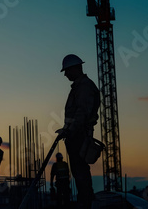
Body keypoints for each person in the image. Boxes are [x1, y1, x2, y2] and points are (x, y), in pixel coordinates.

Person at [56, 54, 100, 209]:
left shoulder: (84, 86)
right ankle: (85, 200)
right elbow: (76, 114)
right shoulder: (79, 86)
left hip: (79, 136)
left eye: (67, 71)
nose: (66, 74)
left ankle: (85, 202)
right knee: (79, 171)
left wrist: (69, 131)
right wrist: (66, 130)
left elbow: (81, 113)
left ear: (76, 68)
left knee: (80, 172)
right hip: (76, 134)